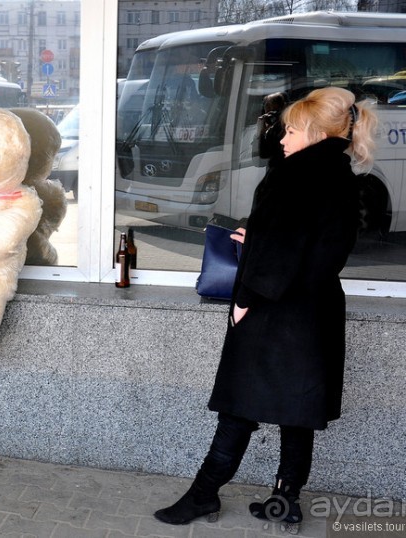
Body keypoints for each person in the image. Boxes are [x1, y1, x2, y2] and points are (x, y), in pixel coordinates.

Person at [154, 86, 377, 532]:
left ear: (314, 132)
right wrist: (253, 236)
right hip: (314, 311)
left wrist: (245, 302)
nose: (281, 139)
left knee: (238, 407)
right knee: (297, 414)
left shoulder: (293, 174)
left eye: (291, 130)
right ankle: (285, 502)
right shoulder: (342, 175)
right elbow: (316, 245)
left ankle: (202, 497)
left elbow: (281, 251)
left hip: (274, 311)